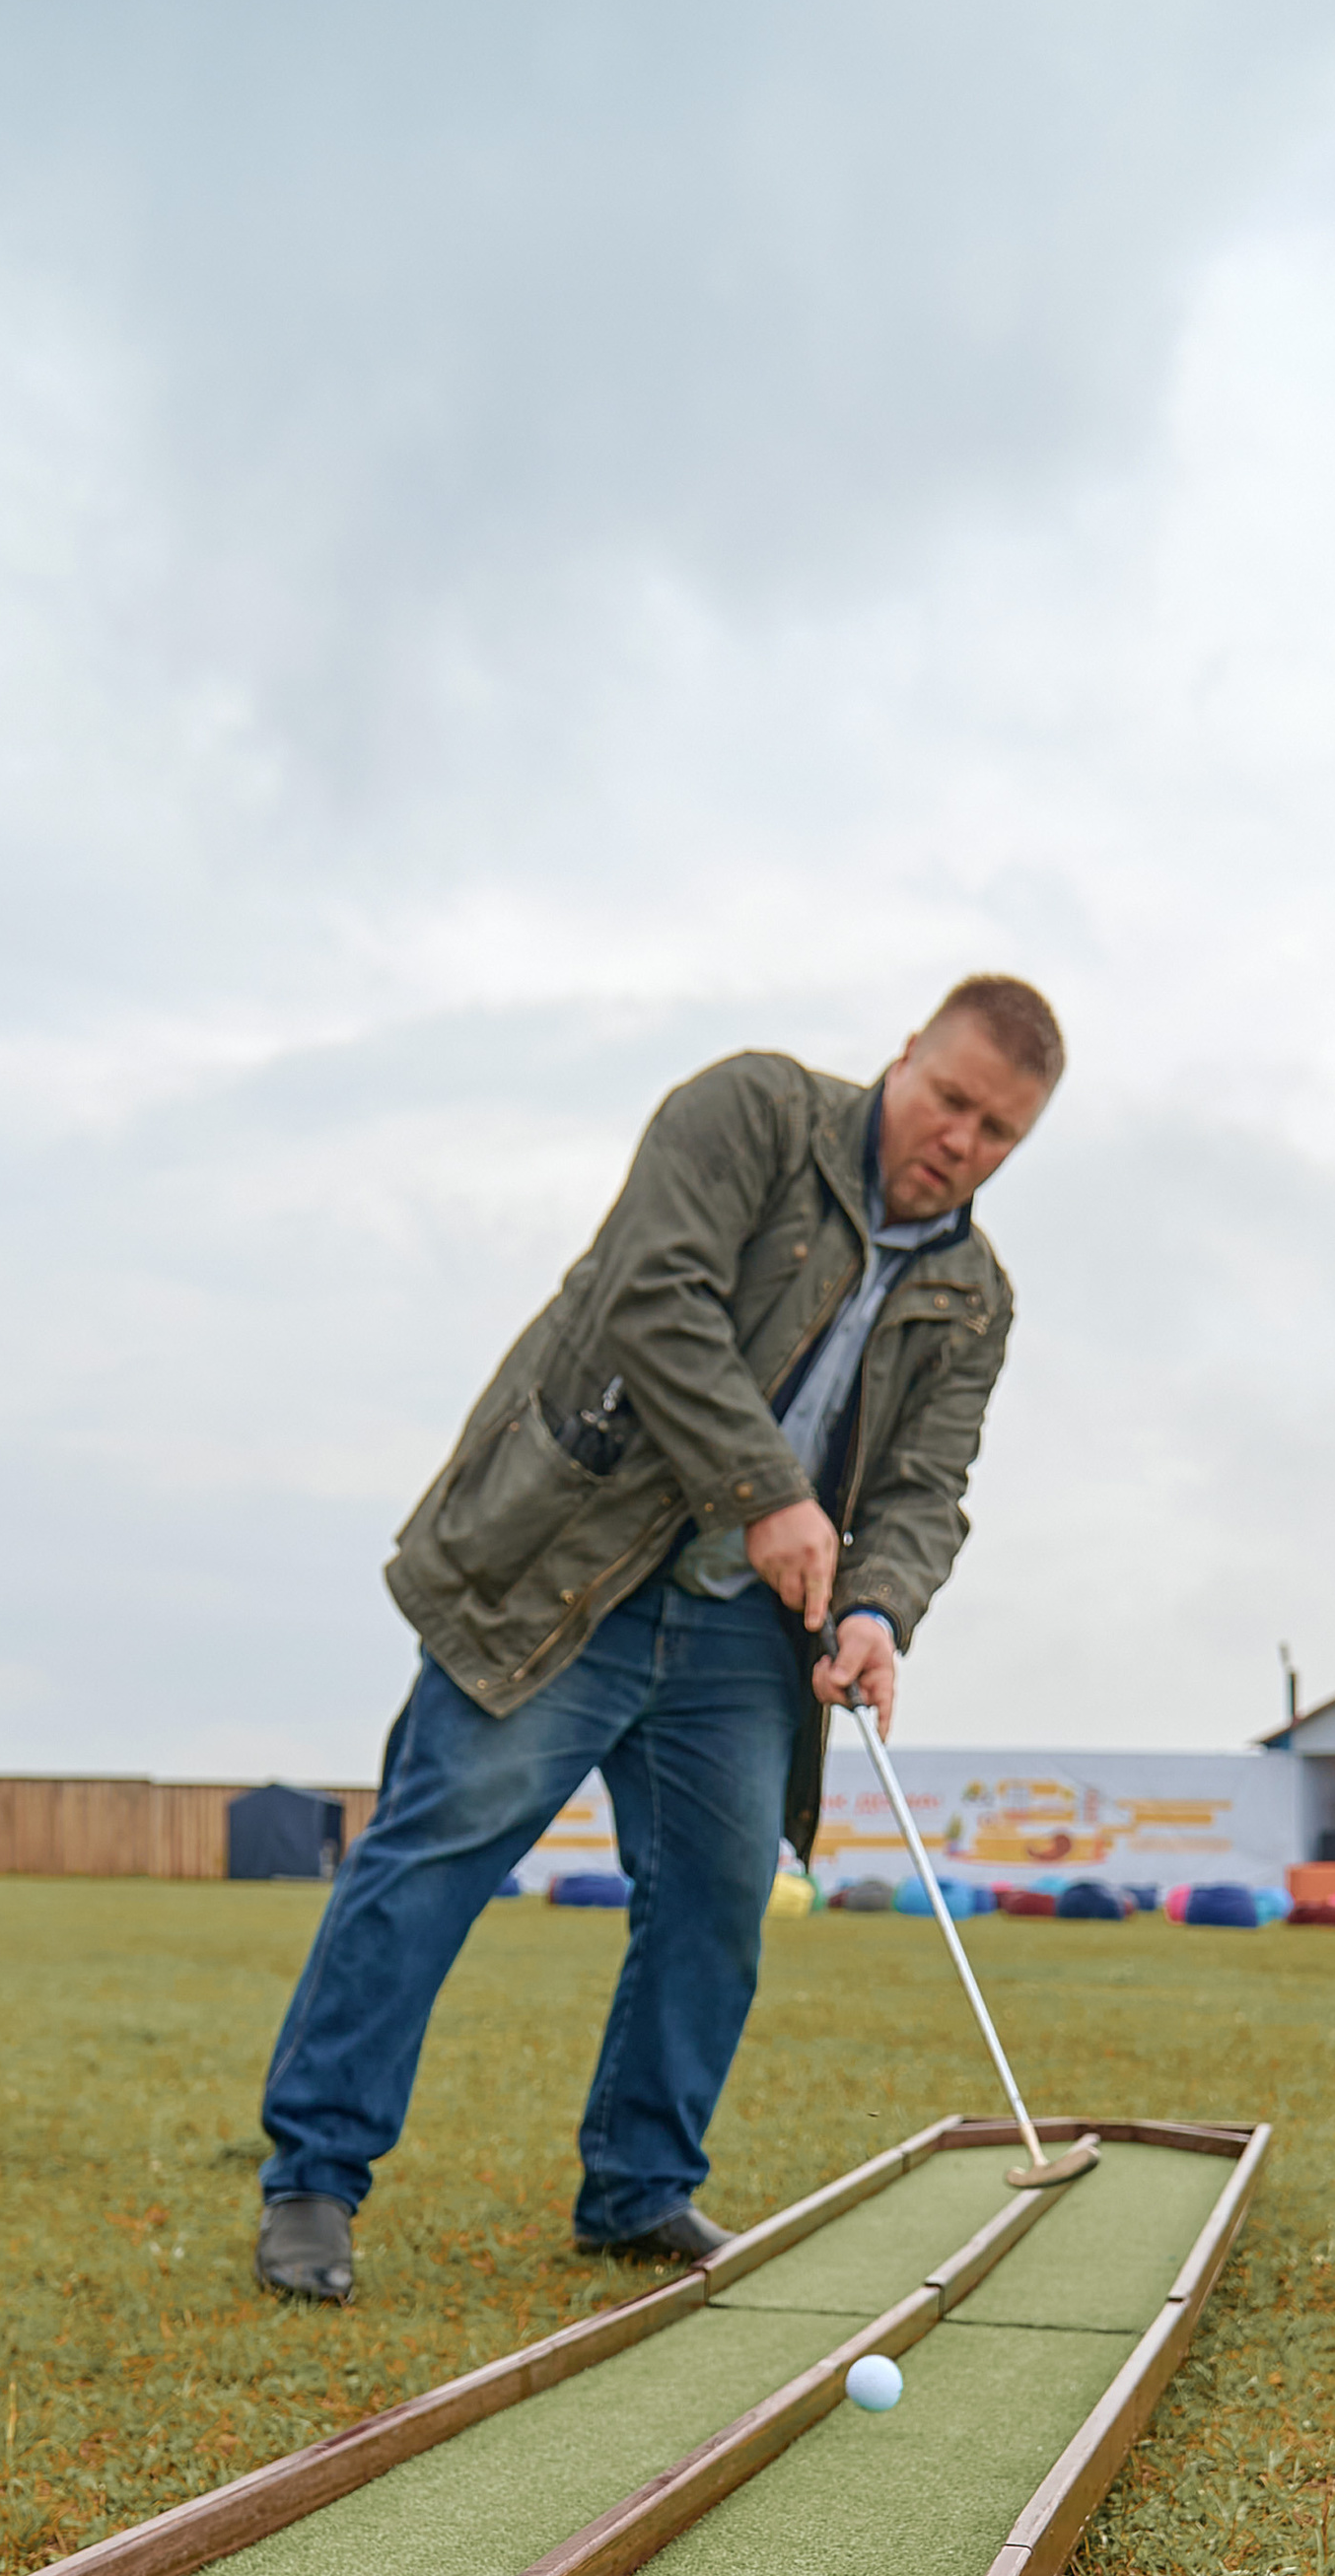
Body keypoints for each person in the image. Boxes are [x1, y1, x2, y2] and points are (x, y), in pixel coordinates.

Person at [253, 975, 1062, 2302]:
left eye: (999, 1133)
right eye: (951, 1099)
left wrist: (875, 1607)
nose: (961, 1142)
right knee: (437, 1849)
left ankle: (639, 2189)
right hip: (568, 1563)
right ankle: (313, 2179)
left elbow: (926, 1484)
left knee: (718, 1895)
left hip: (750, 1632)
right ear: (903, 1055)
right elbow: (656, 1295)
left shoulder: (976, 1295)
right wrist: (773, 1494)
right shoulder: (749, 1112)